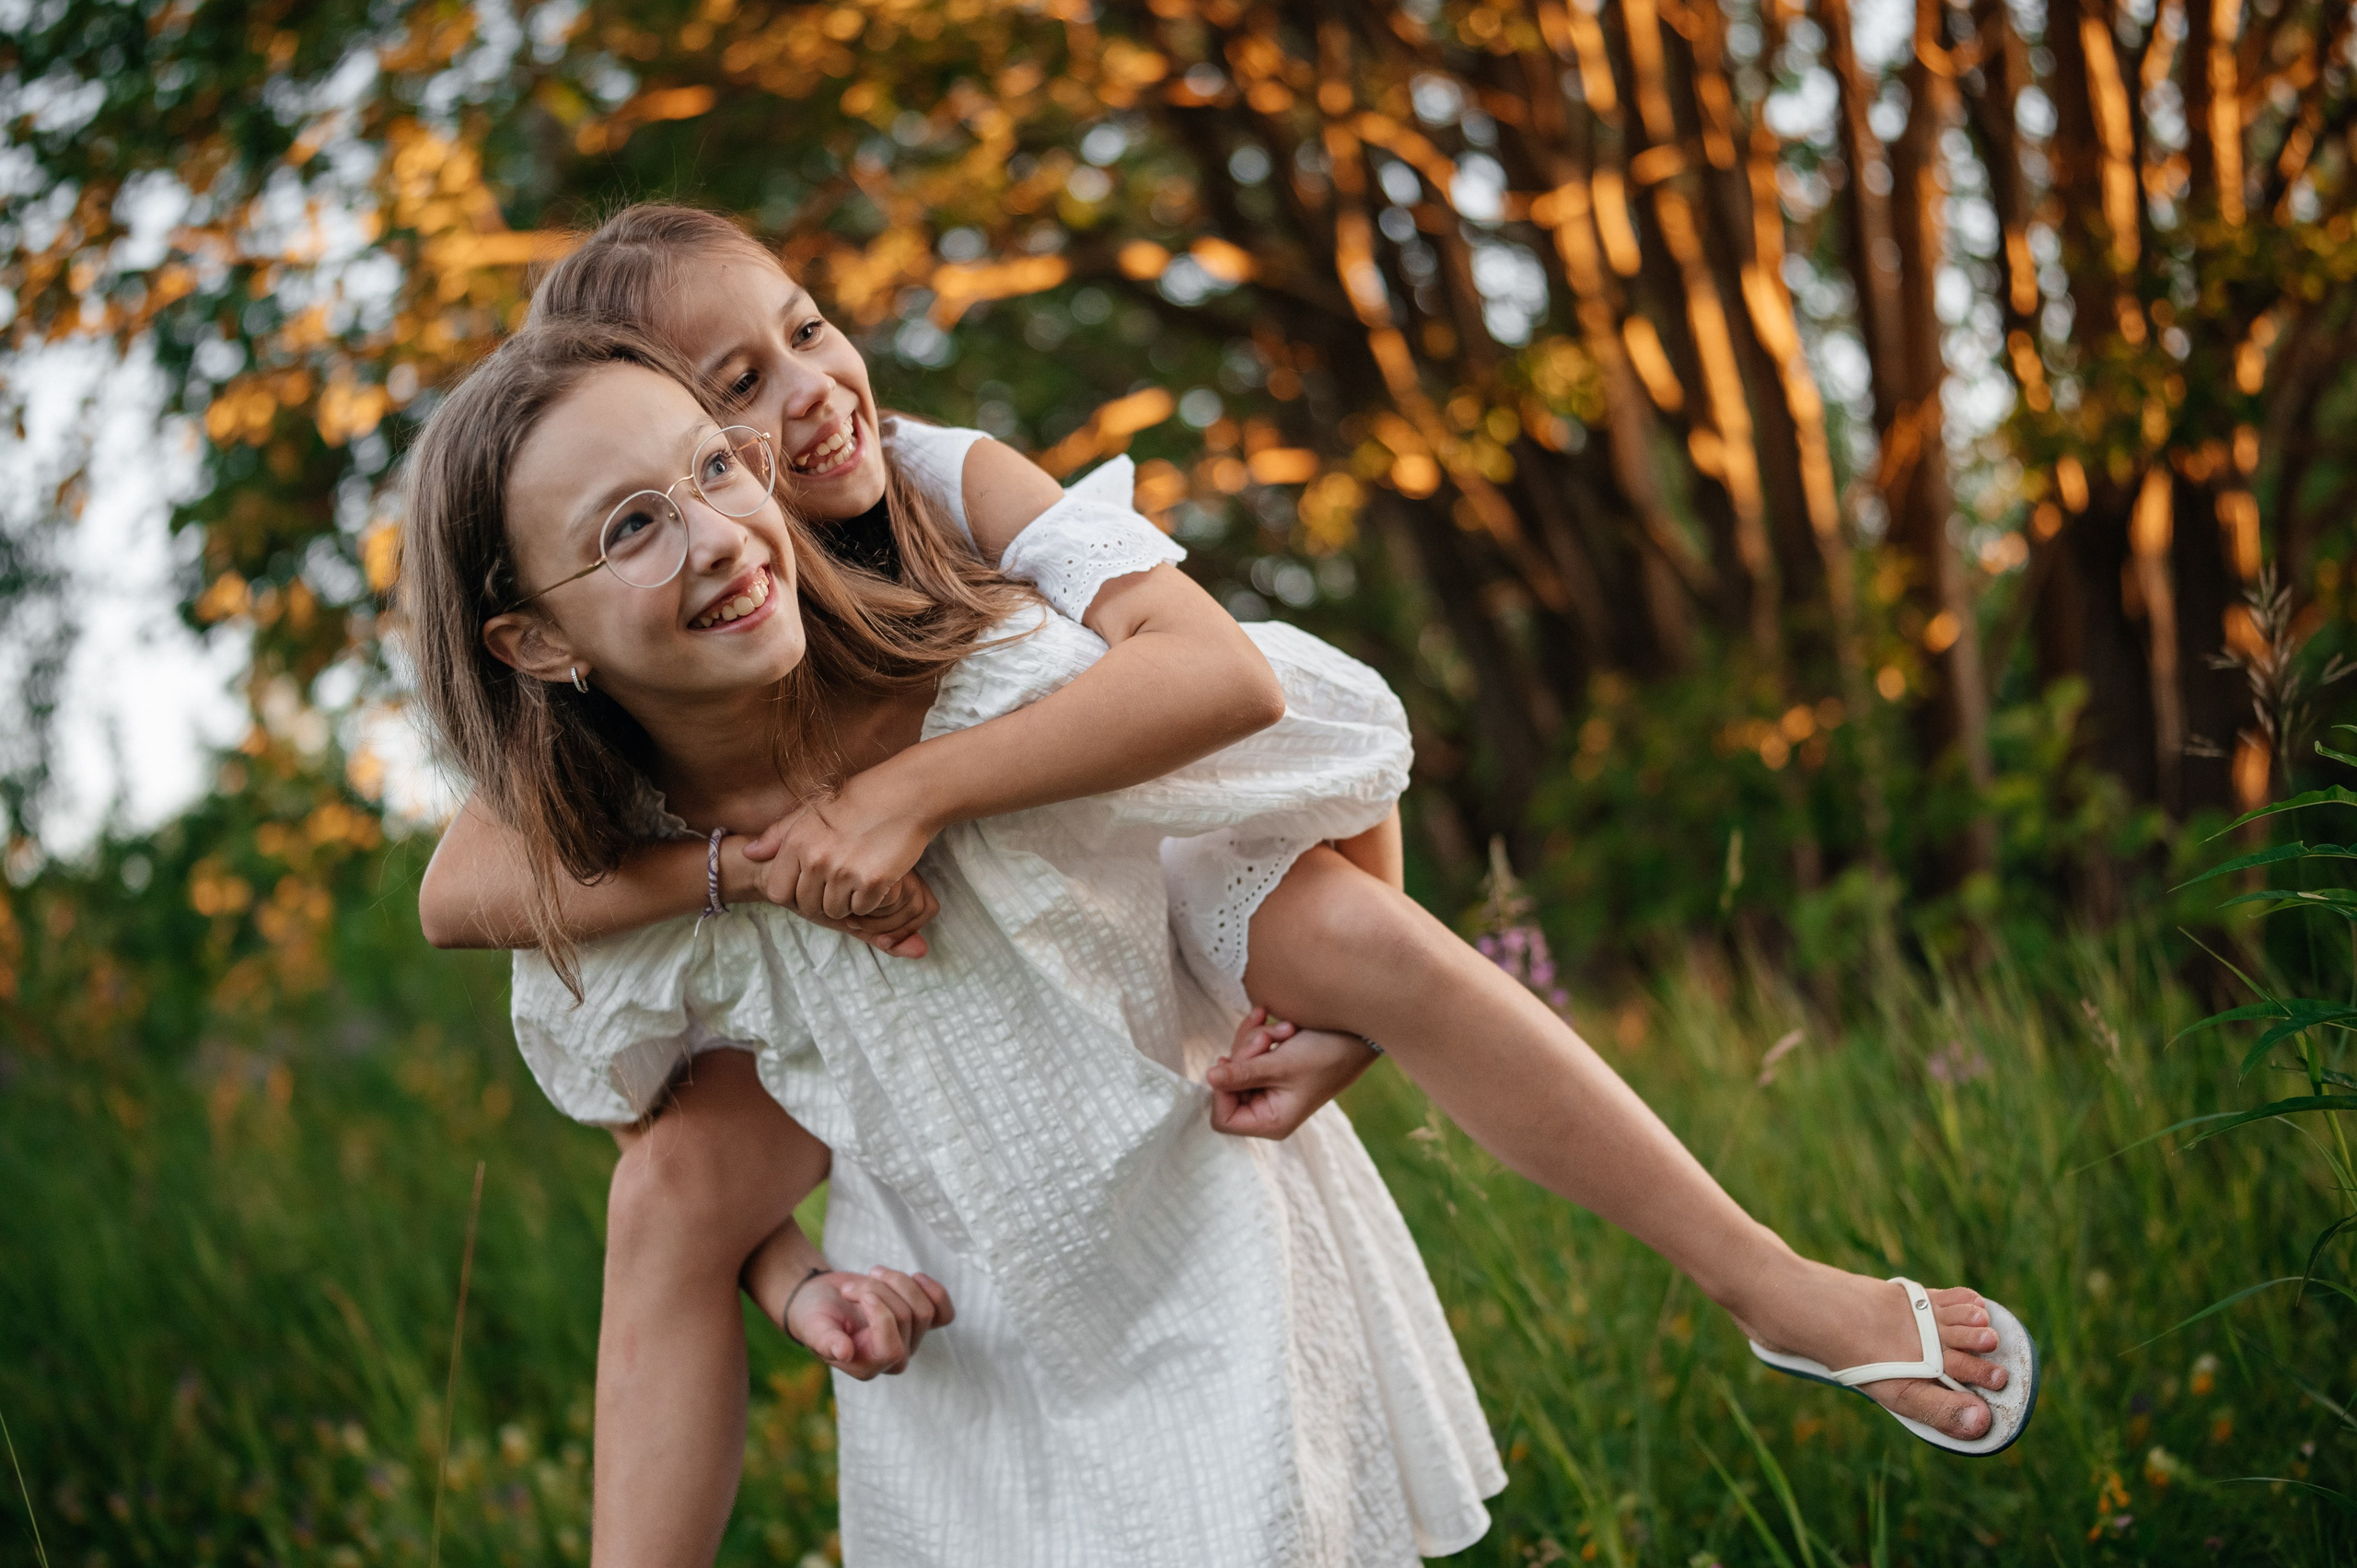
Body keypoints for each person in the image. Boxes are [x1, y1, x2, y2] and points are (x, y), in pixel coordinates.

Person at [415, 208, 2036, 1558]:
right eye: (731, 391)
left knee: (1341, 929)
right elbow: (491, 914)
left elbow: (1282, 708)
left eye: (798, 342)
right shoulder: (634, 724)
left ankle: (1772, 1284)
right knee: (674, 1187)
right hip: (896, 1016)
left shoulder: (934, 480)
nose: (805, 405)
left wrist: (919, 803)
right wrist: (753, 878)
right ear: (540, 631)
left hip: (1101, 879)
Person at [404, 320, 1505, 1563]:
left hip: (1188, 1229)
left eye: (716, 467)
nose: (714, 533)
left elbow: (1319, 741)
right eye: (628, 530)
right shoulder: (638, 865)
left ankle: (1752, 1279)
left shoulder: (991, 683)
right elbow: (631, 1093)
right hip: (953, 1337)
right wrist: (796, 1279)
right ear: (537, 642)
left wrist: (1345, 1028)